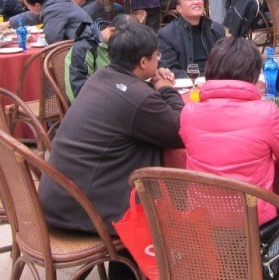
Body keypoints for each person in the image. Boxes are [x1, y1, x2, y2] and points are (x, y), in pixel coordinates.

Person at [39, 23, 184, 234]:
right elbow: (180, 130)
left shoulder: (100, 77)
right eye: (156, 56)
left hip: (61, 200)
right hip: (87, 215)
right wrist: (168, 90)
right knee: (173, 222)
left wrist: (155, 85)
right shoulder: (138, 98)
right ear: (144, 62)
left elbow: (131, 100)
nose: (158, 60)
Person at [179, 37, 279, 224]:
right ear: (255, 74)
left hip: (201, 224)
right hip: (254, 225)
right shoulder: (267, 113)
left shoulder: (189, 112)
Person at [65, 15, 136, 101]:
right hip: (94, 102)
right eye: (124, 43)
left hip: (117, 93)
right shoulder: (83, 48)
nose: (125, 47)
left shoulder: (119, 39)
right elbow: (77, 90)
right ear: (112, 31)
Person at [158, 0, 225, 77]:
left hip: (216, 80)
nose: (196, 2)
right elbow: (170, 70)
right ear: (179, 8)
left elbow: (226, 62)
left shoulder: (216, 29)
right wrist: (198, 79)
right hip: (187, 82)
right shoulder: (167, 35)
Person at [11, 0, 92, 44]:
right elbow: (34, 15)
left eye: (27, 6)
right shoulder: (54, 1)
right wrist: (9, 23)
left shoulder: (53, 10)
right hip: (84, 41)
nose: (27, 8)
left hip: (82, 49)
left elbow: (53, 40)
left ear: (37, 5)